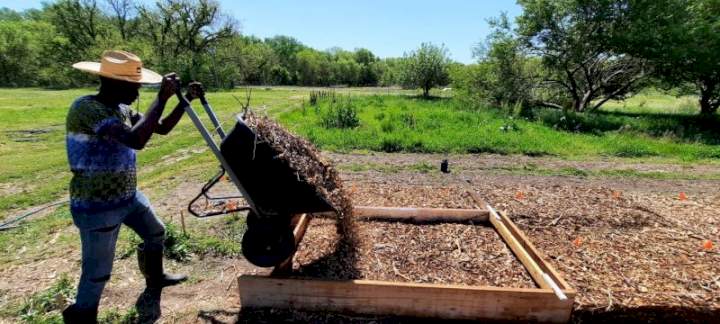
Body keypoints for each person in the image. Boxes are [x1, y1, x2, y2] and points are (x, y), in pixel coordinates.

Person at [62, 50, 203, 323]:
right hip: (97, 204)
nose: (138, 90)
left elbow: (159, 127)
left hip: (127, 197)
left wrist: (184, 100)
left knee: (155, 232)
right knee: (97, 271)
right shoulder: (87, 109)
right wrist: (160, 97)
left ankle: (155, 278)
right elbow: (136, 139)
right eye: (134, 84)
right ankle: (82, 315)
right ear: (114, 83)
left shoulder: (121, 109)